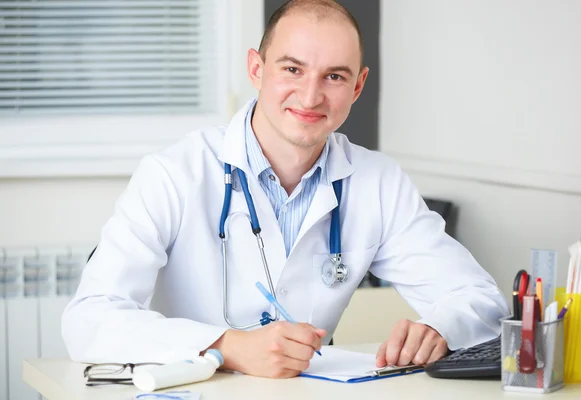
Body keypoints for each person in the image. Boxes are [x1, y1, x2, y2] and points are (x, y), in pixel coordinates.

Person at [62, 0, 510, 379]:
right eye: (292, 68)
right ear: (257, 69)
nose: (311, 96)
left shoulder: (378, 181)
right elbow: (88, 320)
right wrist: (227, 345)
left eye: (334, 77)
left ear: (358, 86)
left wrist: (441, 327)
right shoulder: (175, 173)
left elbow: (480, 300)